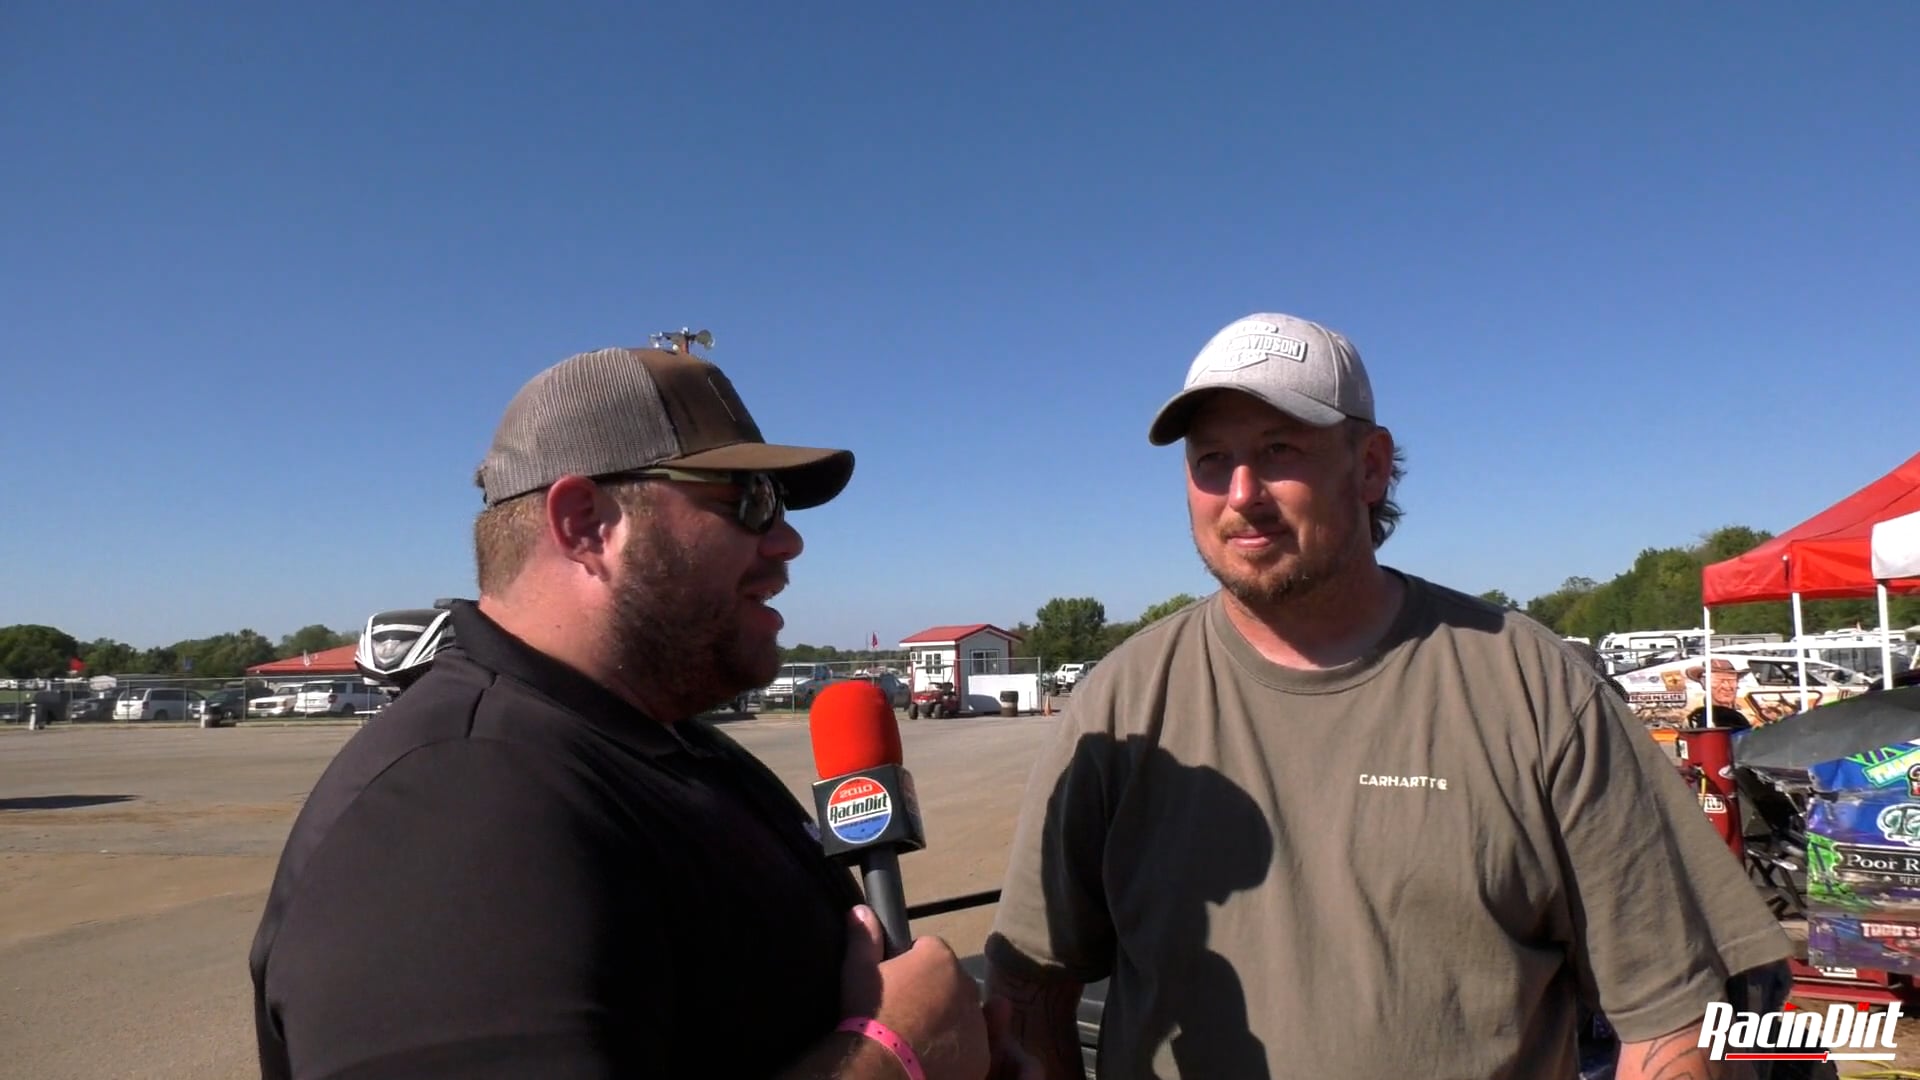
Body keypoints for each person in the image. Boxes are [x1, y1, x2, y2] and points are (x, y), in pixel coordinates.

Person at [983, 313, 1794, 1079]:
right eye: (1209, 460)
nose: (1240, 494)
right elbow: (1030, 990)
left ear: (1369, 466)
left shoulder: (1532, 687)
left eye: (1277, 450)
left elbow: (1674, 1017)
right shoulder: (1121, 705)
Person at [250, 342, 1030, 1079]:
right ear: (586, 523)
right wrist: (895, 1054)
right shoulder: (455, 806)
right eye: (752, 501)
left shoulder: (664, 745)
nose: (789, 540)